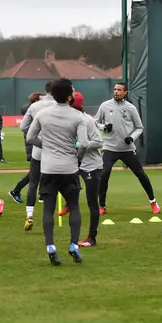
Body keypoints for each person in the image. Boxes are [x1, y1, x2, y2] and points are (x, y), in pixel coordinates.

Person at [26, 78, 89, 266]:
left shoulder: (43, 114)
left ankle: (50, 246)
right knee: (74, 206)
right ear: (70, 96)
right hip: (69, 167)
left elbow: (30, 137)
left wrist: (46, 145)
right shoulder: (78, 117)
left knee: (48, 208)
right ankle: (73, 245)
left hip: (48, 167)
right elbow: (84, 143)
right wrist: (77, 156)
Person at [95, 83, 160, 216]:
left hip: (127, 149)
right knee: (104, 174)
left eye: (119, 90)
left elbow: (139, 127)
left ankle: (153, 201)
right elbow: (95, 122)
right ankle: (101, 205)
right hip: (109, 148)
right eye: (115, 89)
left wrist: (131, 137)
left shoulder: (131, 108)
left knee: (140, 174)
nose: (116, 92)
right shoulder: (105, 105)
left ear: (125, 92)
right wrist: (103, 127)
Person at [62, 92, 103, 247]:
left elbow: (98, 142)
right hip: (75, 163)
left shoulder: (87, 121)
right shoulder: (69, 119)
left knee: (92, 202)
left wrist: (80, 145)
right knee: (63, 183)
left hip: (92, 166)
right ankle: (68, 203)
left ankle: (92, 237)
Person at [19, 81, 56, 230]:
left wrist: (36, 135)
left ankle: (29, 215)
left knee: (33, 182)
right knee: (59, 182)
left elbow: (23, 127)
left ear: (46, 91)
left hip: (39, 150)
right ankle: (54, 214)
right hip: (58, 150)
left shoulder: (35, 106)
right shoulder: (63, 106)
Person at [8, 92, 43, 204]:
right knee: (35, 174)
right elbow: (28, 130)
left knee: (36, 173)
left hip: (35, 145)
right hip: (35, 146)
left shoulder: (35, 111)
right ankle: (17, 191)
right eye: (42, 98)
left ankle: (17, 191)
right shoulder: (33, 112)